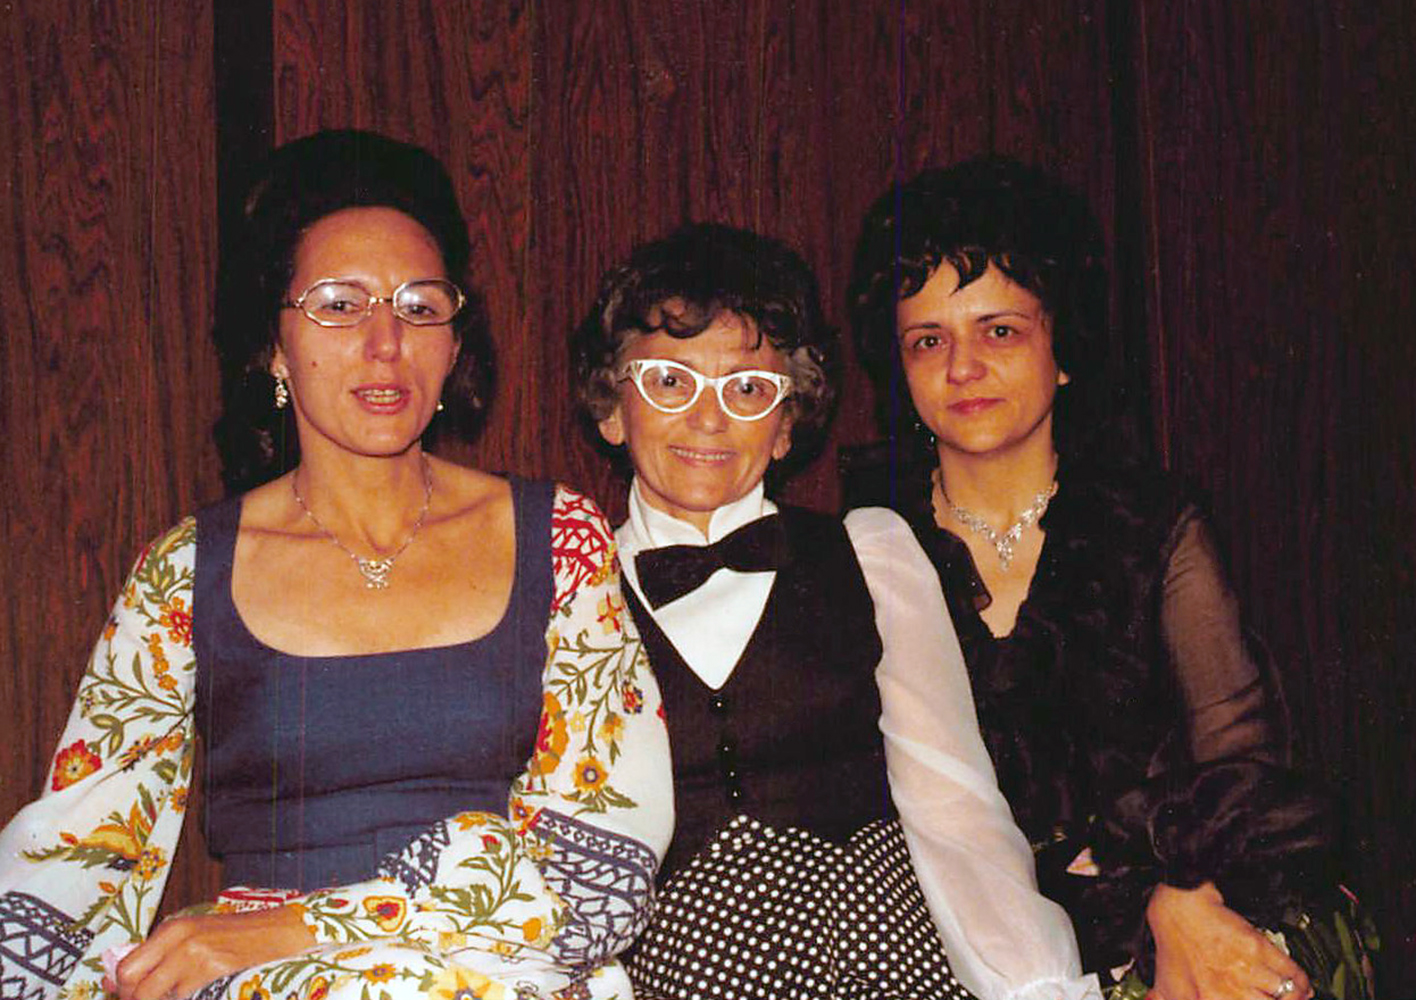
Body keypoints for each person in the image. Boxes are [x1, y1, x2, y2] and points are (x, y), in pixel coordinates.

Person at [0, 130, 671, 1000]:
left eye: (420, 306)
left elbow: (602, 873)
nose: (386, 342)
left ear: (456, 342)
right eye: (339, 304)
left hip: (500, 970)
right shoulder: (185, 571)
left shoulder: (562, 539)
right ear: (272, 347)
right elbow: (77, 854)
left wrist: (309, 926)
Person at [847, 157, 1372, 1000]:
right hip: (963, 959)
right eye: (929, 340)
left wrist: (1183, 895)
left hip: (1184, 913)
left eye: (1001, 331)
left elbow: (1247, 763)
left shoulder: (1154, 528)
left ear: (1063, 349)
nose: (963, 369)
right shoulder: (868, 552)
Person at [571, 222, 1100, 1000]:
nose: (710, 419)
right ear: (613, 409)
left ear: (787, 425)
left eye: (748, 388)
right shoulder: (574, 592)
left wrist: (1038, 987)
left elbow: (955, 808)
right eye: (670, 383)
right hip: (684, 976)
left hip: (885, 958)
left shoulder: (870, 556)